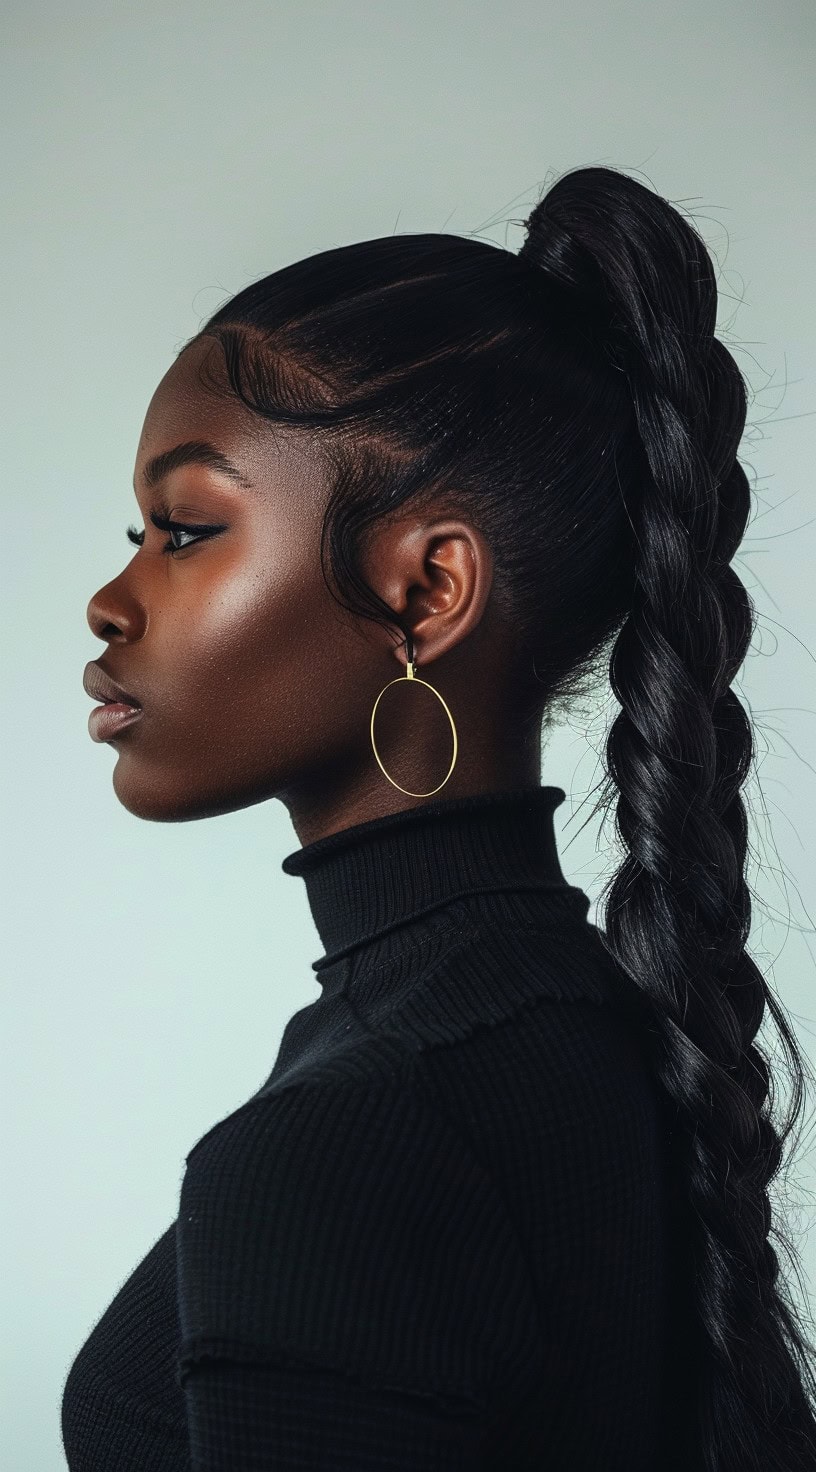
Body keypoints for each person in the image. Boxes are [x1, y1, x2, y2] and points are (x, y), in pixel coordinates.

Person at [62, 164, 816, 1470]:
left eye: (183, 530)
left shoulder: (356, 1131)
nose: (112, 602)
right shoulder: (606, 1036)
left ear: (426, 592)